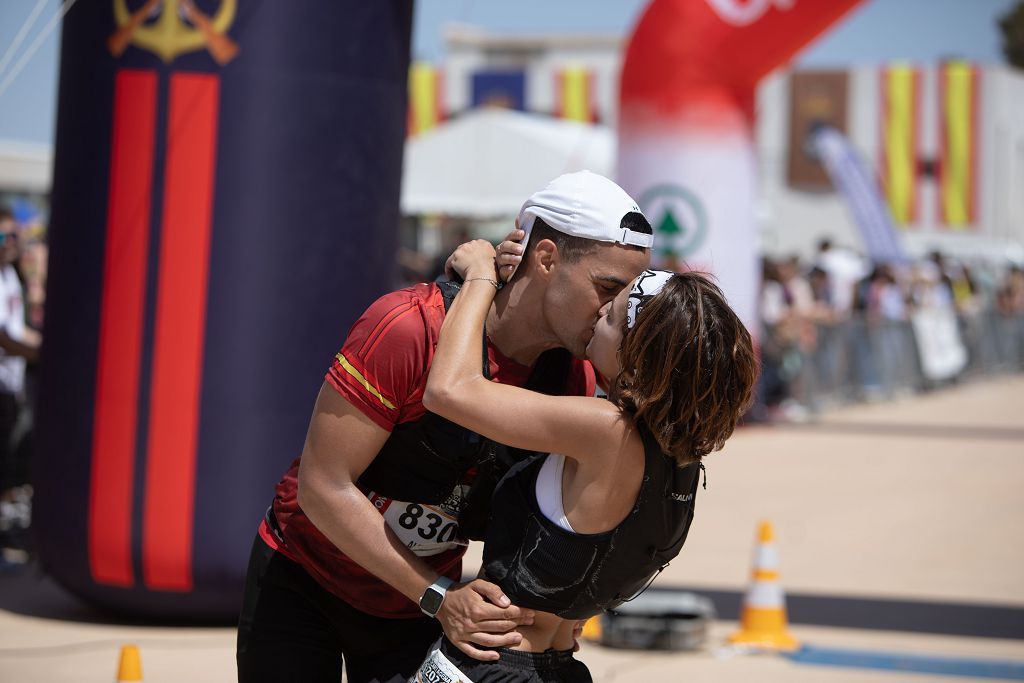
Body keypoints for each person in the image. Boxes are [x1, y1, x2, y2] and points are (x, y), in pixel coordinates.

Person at [236, 171, 653, 682]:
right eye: (606, 287)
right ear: (546, 259)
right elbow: (323, 487)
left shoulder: (572, 378)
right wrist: (438, 596)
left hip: (416, 608)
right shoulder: (409, 327)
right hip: (306, 578)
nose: (613, 310)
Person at [411, 237, 758, 681]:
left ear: (636, 358)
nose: (598, 313)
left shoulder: (604, 430)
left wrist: (480, 276)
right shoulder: (681, 453)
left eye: (611, 316)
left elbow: (448, 392)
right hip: (560, 667)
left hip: (493, 663)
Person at [0, 208, 39, 563]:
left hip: (11, 386)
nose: (10, 243)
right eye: (3, 236)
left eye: (14, 236)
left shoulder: (11, 277)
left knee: (10, 460)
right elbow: (5, 338)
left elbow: (18, 330)